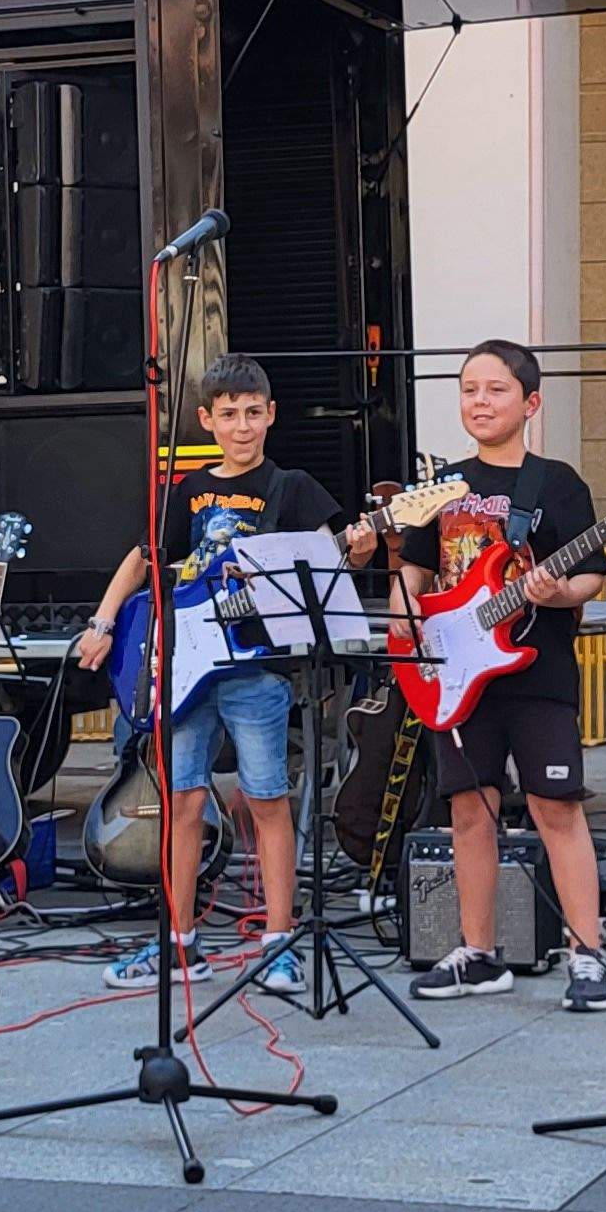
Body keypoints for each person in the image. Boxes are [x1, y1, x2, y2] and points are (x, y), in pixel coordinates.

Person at [69, 353, 377, 997]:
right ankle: (179, 942)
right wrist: (102, 624)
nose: (242, 427)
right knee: (181, 802)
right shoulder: (186, 491)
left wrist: (362, 545)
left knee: (268, 800)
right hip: (185, 659)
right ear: (206, 419)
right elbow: (145, 559)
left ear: (272, 416)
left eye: (253, 414)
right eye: (229, 415)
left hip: (255, 667)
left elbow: (328, 562)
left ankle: (279, 942)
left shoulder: (291, 488)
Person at [396, 341, 606, 1013]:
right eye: (469, 390)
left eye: (495, 390)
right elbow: (417, 570)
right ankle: (477, 952)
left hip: (535, 668)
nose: (480, 402)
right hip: (456, 670)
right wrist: (404, 620)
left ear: (530, 403)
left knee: (556, 808)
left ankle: (587, 953)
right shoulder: (443, 484)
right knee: (468, 811)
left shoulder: (555, 484)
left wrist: (554, 591)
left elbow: (591, 574)